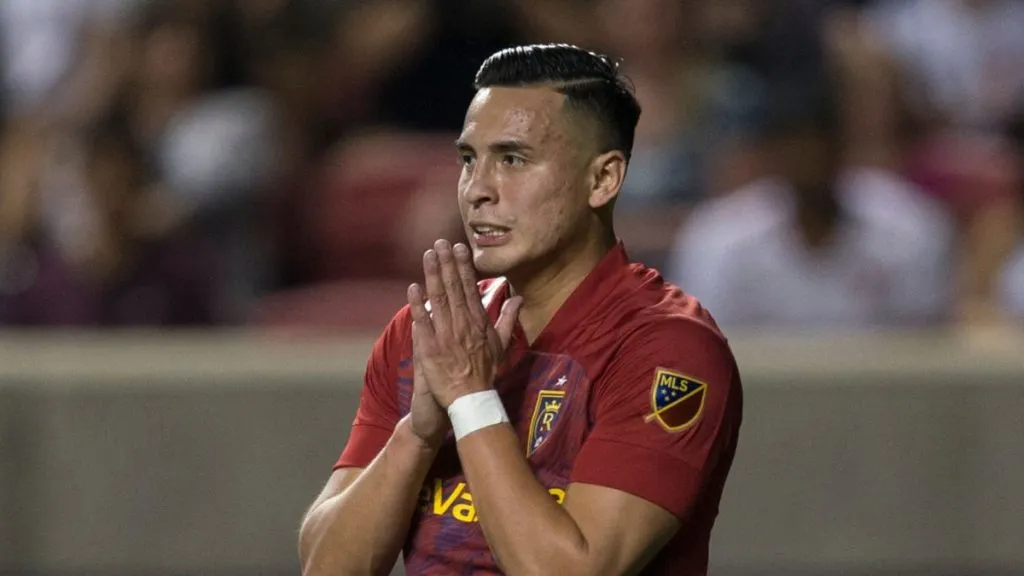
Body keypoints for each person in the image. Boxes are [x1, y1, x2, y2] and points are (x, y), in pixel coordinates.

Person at [298, 44, 743, 576]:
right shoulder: (433, 334)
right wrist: (417, 435)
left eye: (512, 159)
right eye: (469, 159)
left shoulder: (667, 348)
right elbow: (326, 568)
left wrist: (470, 400)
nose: (477, 190)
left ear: (603, 180)